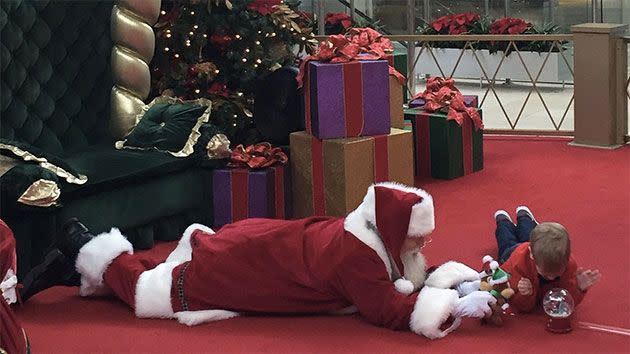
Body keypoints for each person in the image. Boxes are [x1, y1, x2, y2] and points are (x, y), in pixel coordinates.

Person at [19, 182, 497, 339]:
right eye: (419, 242)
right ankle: (86, 246)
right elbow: (388, 309)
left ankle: (74, 265)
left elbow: (400, 277)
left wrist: (455, 280)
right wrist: (449, 305)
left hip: (262, 247)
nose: (422, 251)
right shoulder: (359, 258)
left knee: (166, 275)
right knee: (155, 293)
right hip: (245, 268)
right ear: (395, 234)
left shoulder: (368, 234)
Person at [493, 206, 601, 312]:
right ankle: (505, 221)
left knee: (529, 235)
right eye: (546, 273)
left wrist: (579, 288)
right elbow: (517, 303)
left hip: (534, 249)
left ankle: (524, 217)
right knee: (507, 240)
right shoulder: (519, 265)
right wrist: (526, 294)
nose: (551, 277)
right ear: (532, 255)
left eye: (557, 274)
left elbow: (566, 300)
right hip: (511, 253)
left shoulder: (567, 263)